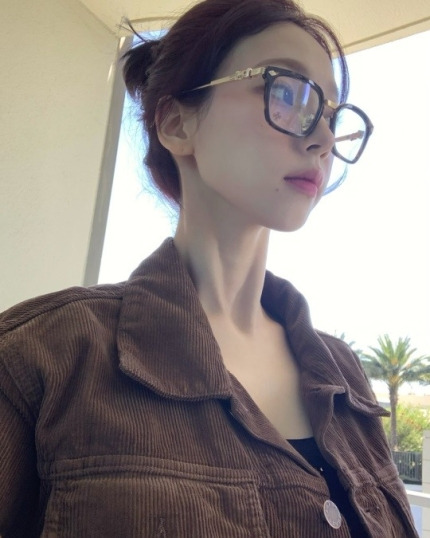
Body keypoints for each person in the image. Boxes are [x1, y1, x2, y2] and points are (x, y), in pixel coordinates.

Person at [0, 0, 418, 536]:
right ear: (177, 124)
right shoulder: (43, 356)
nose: (323, 140)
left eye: (333, 115)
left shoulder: (345, 377)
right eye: (288, 93)